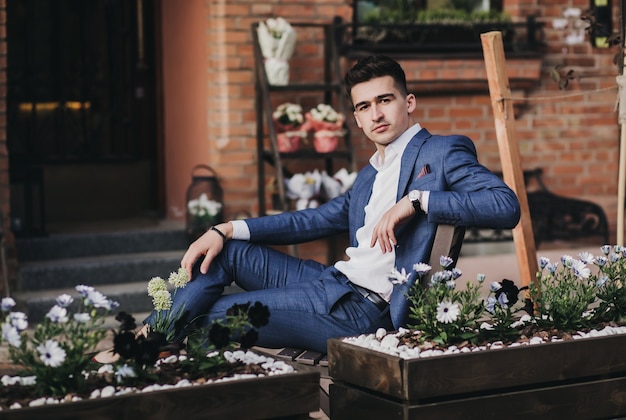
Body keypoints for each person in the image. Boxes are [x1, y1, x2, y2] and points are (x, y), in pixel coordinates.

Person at [150, 55, 520, 353]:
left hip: (361, 311)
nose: (376, 114)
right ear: (356, 119)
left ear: (408, 103)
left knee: (206, 316)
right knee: (227, 251)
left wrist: (417, 201)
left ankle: (147, 346)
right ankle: (150, 338)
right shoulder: (369, 175)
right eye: (364, 106)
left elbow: (505, 205)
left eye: (385, 100)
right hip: (332, 282)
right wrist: (225, 228)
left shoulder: (441, 151)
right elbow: (309, 221)